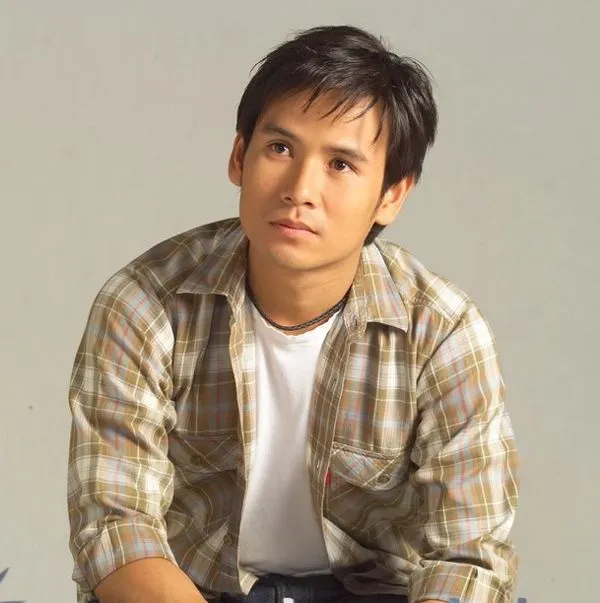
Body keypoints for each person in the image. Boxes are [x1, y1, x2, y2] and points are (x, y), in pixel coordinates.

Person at [67, 24, 519, 603]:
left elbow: (468, 557)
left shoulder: (442, 332)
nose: (300, 189)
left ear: (392, 194)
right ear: (239, 157)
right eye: (280, 148)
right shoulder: (144, 303)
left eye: (341, 164)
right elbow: (114, 526)